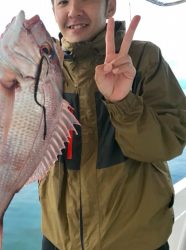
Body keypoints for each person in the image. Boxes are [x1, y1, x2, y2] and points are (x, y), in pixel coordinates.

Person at [38, 0, 186, 249]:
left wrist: (123, 102)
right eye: (62, 2)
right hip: (57, 239)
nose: (73, 11)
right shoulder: (42, 71)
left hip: (136, 242)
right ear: (53, 10)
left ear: (110, 7)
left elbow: (170, 142)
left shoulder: (143, 59)